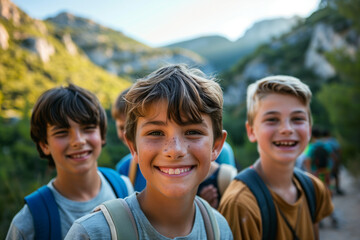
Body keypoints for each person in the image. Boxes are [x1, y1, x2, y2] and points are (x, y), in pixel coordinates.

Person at [65, 64, 233, 239]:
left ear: (216, 146)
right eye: (156, 133)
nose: (175, 150)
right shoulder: (94, 234)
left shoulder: (219, 229)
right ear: (133, 147)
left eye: (192, 132)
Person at [6, 84, 133, 240]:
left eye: (88, 128)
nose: (78, 141)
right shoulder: (29, 223)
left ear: (102, 135)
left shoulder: (124, 188)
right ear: (44, 145)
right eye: (62, 132)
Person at [218, 75, 334, 239]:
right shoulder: (241, 204)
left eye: (297, 119)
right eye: (272, 119)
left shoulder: (313, 189)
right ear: (251, 131)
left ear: (309, 128)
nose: (286, 129)